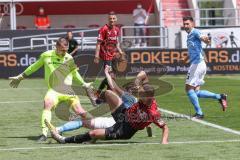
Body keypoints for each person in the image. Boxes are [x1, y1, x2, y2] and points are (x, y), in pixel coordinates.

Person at [46, 67, 169, 144]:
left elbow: (165, 127)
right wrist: (136, 81)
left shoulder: (153, 112)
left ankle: (63, 140)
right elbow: (142, 74)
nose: (138, 95)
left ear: (148, 97)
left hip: (125, 130)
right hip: (124, 113)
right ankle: (95, 98)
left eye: (140, 94)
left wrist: (163, 141)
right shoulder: (138, 96)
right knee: (109, 93)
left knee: (93, 133)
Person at [9, 37, 92, 142]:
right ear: (56, 47)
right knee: (47, 103)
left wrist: (83, 83)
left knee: (80, 111)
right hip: (54, 90)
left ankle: (96, 129)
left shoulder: (69, 58)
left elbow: (75, 74)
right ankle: (44, 133)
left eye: (66, 50)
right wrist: (21, 77)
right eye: (62, 50)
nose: (64, 52)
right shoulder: (46, 55)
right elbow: (33, 67)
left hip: (68, 90)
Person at [182, 16, 228, 119]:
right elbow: (196, 49)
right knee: (196, 92)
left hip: (197, 65)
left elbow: (203, 37)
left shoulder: (195, 32)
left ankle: (199, 113)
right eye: (184, 24)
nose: (185, 26)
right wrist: (186, 59)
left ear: (192, 24)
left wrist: (206, 40)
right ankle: (220, 96)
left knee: (188, 88)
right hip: (200, 64)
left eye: (187, 24)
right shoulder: (189, 35)